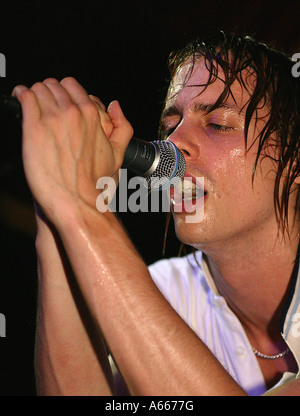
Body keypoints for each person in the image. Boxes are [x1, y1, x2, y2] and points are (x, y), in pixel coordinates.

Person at [12, 31, 300, 396]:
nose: (172, 144)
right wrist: (56, 206)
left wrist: (83, 209)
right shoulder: (163, 294)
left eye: (217, 124)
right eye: (169, 126)